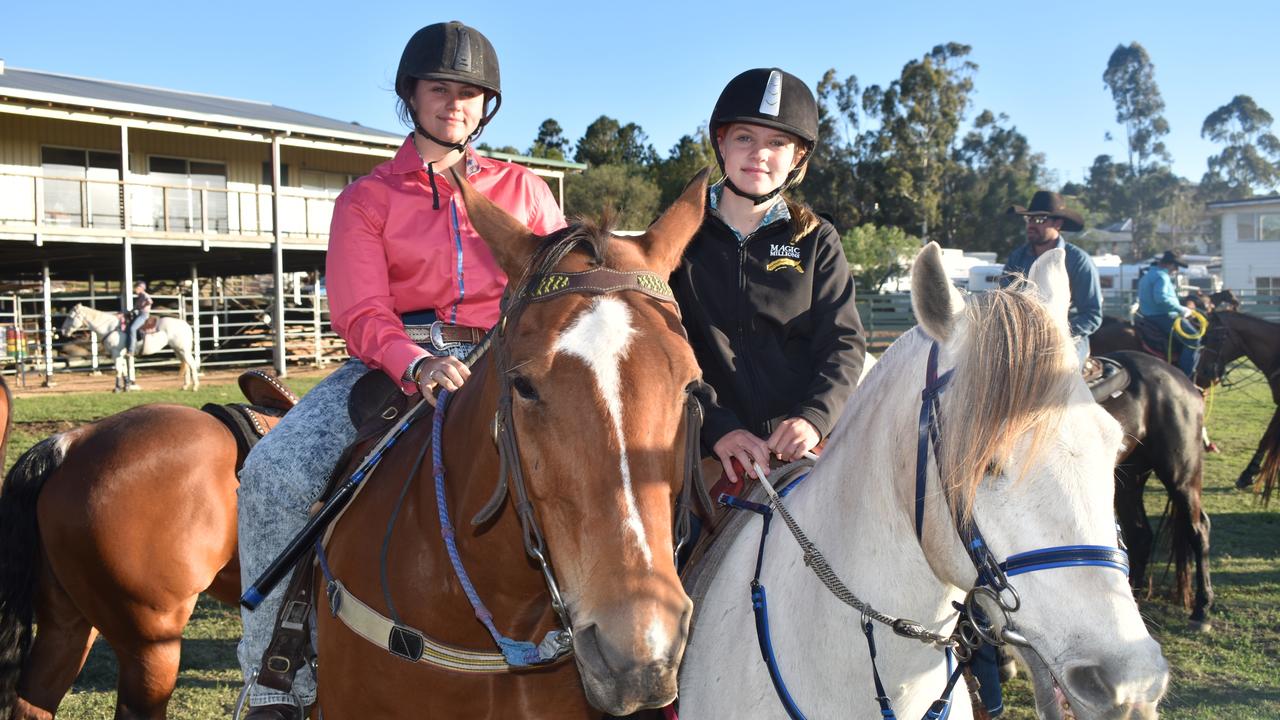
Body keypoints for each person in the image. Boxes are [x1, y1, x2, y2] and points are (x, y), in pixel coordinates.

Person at [233, 21, 566, 719]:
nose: (456, 104)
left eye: (471, 94)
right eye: (440, 89)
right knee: (276, 472)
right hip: (394, 360)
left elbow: (559, 293)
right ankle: (273, 679)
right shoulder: (367, 198)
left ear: (487, 106)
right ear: (410, 96)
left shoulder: (528, 192)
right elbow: (359, 311)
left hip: (504, 359)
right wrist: (415, 362)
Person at [671, 67, 865, 485]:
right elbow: (665, 348)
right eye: (745, 138)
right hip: (708, 450)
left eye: (777, 143)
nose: (759, 153)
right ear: (721, 143)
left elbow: (843, 344)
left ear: (797, 157)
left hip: (800, 449)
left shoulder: (816, 239)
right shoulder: (677, 233)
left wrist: (813, 418)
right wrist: (715, 426)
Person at [999, 191, 1101, 366]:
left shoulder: (1078, 260)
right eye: (1029, 219)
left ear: (1058, 224)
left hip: (1067, 338)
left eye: (1039, 220)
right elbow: (1004, 301)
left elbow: (1092, 314)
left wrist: (1053, 333)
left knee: (1063, 373)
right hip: (1022, 339)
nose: (1031, 225)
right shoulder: (1017, 257)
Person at [1137, 250, 1201, 378]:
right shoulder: (1162, 276)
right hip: (1164, 316)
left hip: (1149, 316)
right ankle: (1185, 377)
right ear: (1170, 264)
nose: (1176, 270)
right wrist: (1181, 309)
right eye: (1176, 266)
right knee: (1194, 339)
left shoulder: (1148, 275)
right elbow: (1162, 298)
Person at [126, 280, 152, 355]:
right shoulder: (139, 297)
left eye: (136, 288)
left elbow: (150, 301)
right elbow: (135, 308)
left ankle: (131, 350)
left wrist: (143, 306)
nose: (135, 289)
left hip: (144, 315)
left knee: (132, 328)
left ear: (141, 288)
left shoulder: (144, 295)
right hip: (139, 314)